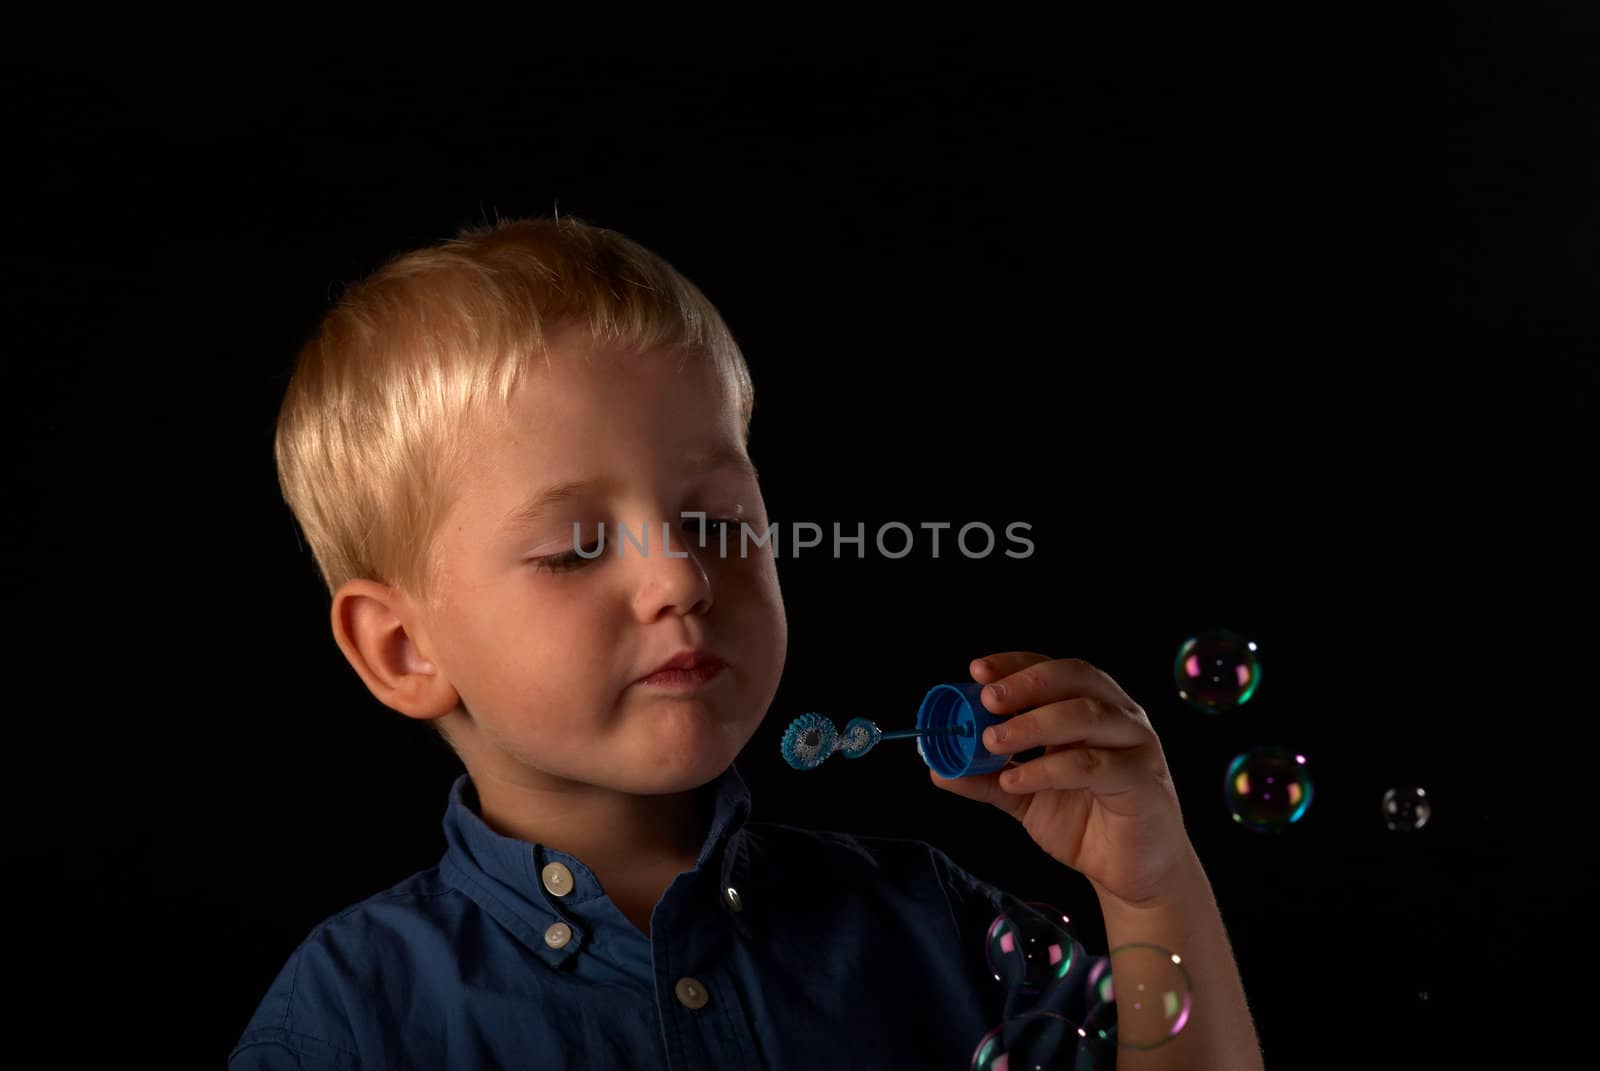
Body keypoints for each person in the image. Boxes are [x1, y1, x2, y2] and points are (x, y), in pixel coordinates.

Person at [230, 215, 1264, 1070]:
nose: (680, 575)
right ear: (404, 650)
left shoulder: (926, 926)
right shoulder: (350, 1020)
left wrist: (1146, 890)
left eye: (716, 522)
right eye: (578, 545)